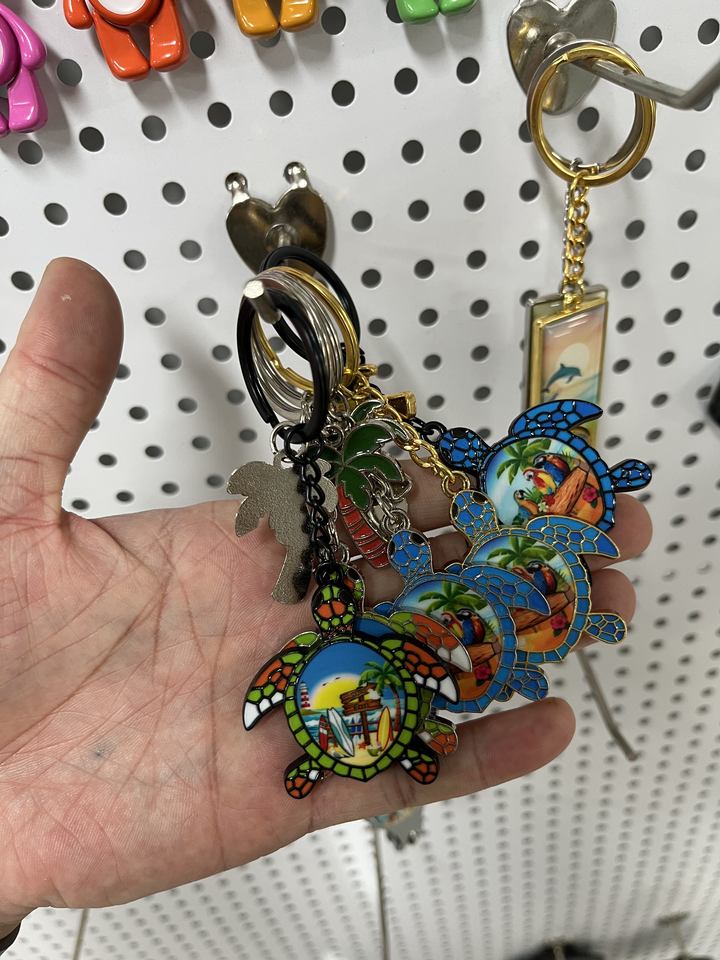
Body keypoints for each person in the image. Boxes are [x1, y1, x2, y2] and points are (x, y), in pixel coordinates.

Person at [0, 259, 651, 947]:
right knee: (422, 693)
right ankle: (365, 752)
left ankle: (334, 756)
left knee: (426, 674)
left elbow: (341, 675)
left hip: (345, 718)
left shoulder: (333, 647)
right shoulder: (360, 643)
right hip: (360, 708)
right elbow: (405, 666)